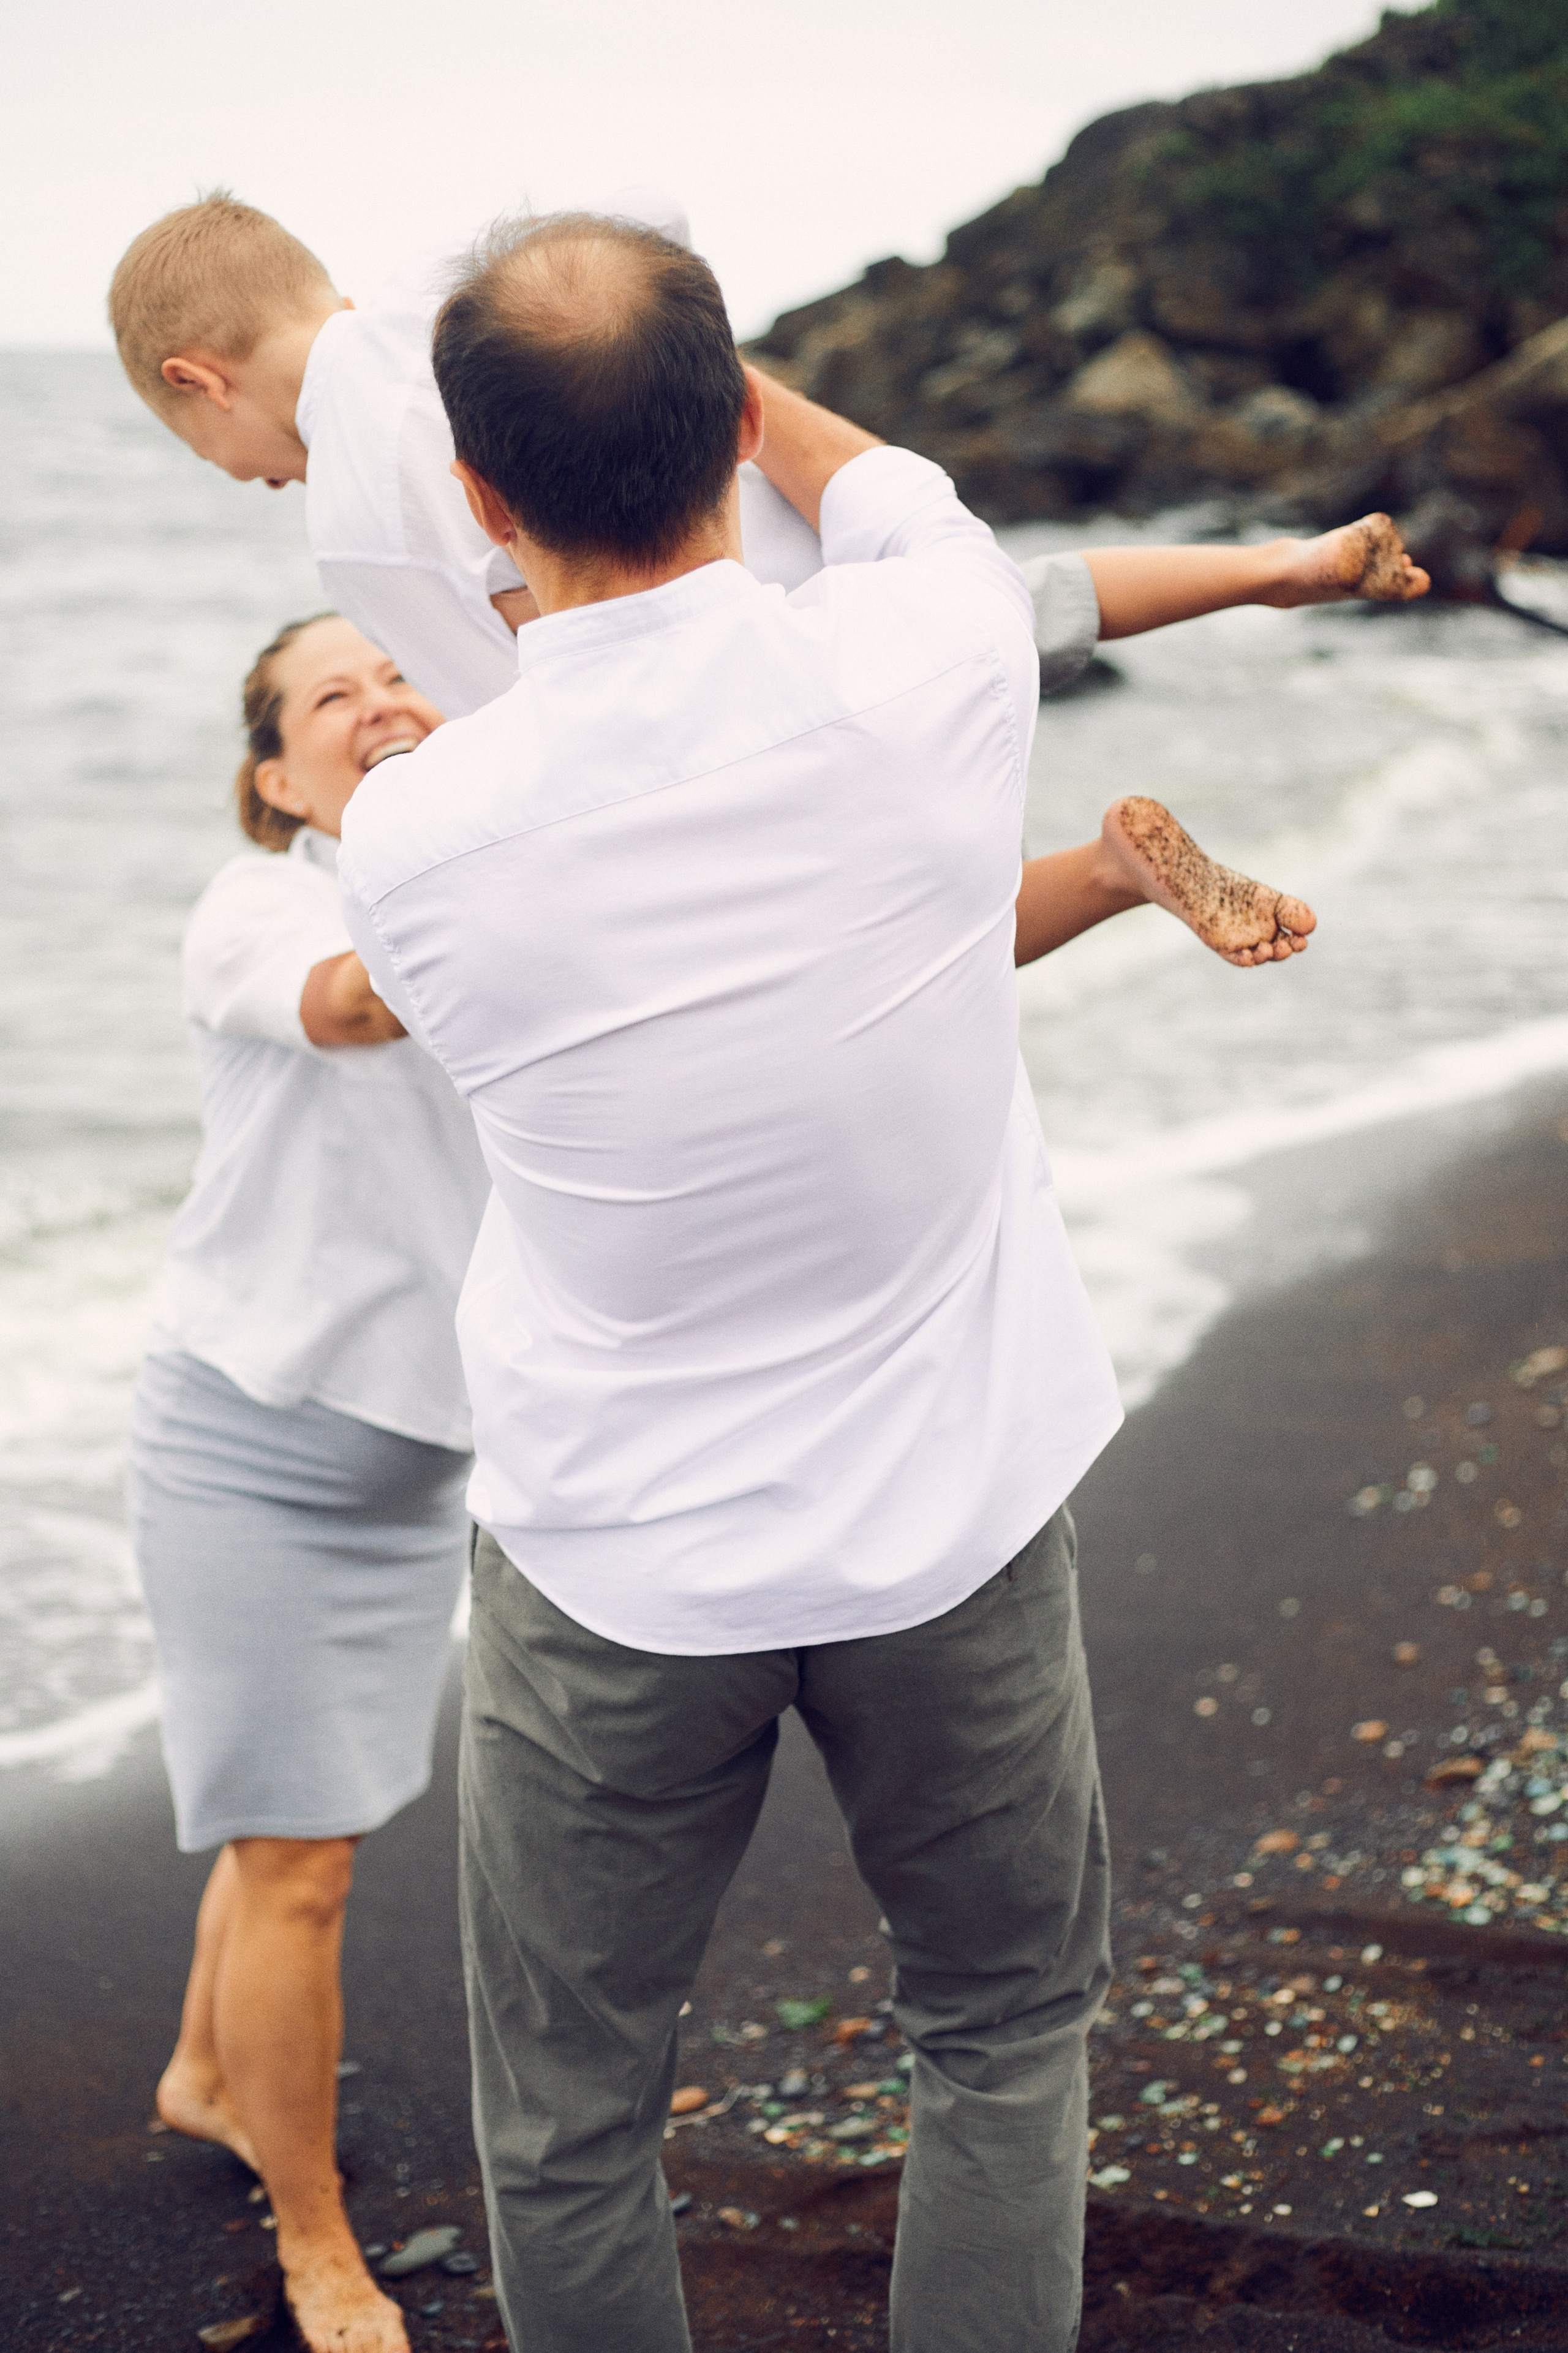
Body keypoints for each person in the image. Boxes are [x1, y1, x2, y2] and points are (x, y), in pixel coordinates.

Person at [325, 205, 1273, 2353]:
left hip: (615, 1554)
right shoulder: (929, 653)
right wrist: (744, 396)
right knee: (1004, 2037)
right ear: (732, 428)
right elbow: (889, 500)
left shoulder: (414, 836)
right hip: (950, 1513)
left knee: (570, 2122)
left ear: (477, 495)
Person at [107, 190, 1430, 740]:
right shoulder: (450, 304)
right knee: (1002, 594)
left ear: (196, 378)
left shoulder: (354, 512)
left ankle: (1106, 868)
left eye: (206, 450)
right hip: (803, 538)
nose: (245, 476)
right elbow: (640, 234)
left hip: (774, 700)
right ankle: (1276, 564)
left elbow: (539, 708)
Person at [127, 614, 490, 2353]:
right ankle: (318, 2242)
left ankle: (206, 2074)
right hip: (252, 1450)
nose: (381, 702)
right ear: (277, 781)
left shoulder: (504, 887)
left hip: (415, 1459)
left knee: (299, 1819)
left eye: (399, 674)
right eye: (332, 698)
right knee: (303, 1864)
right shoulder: (260, 908)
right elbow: (354, 1007)